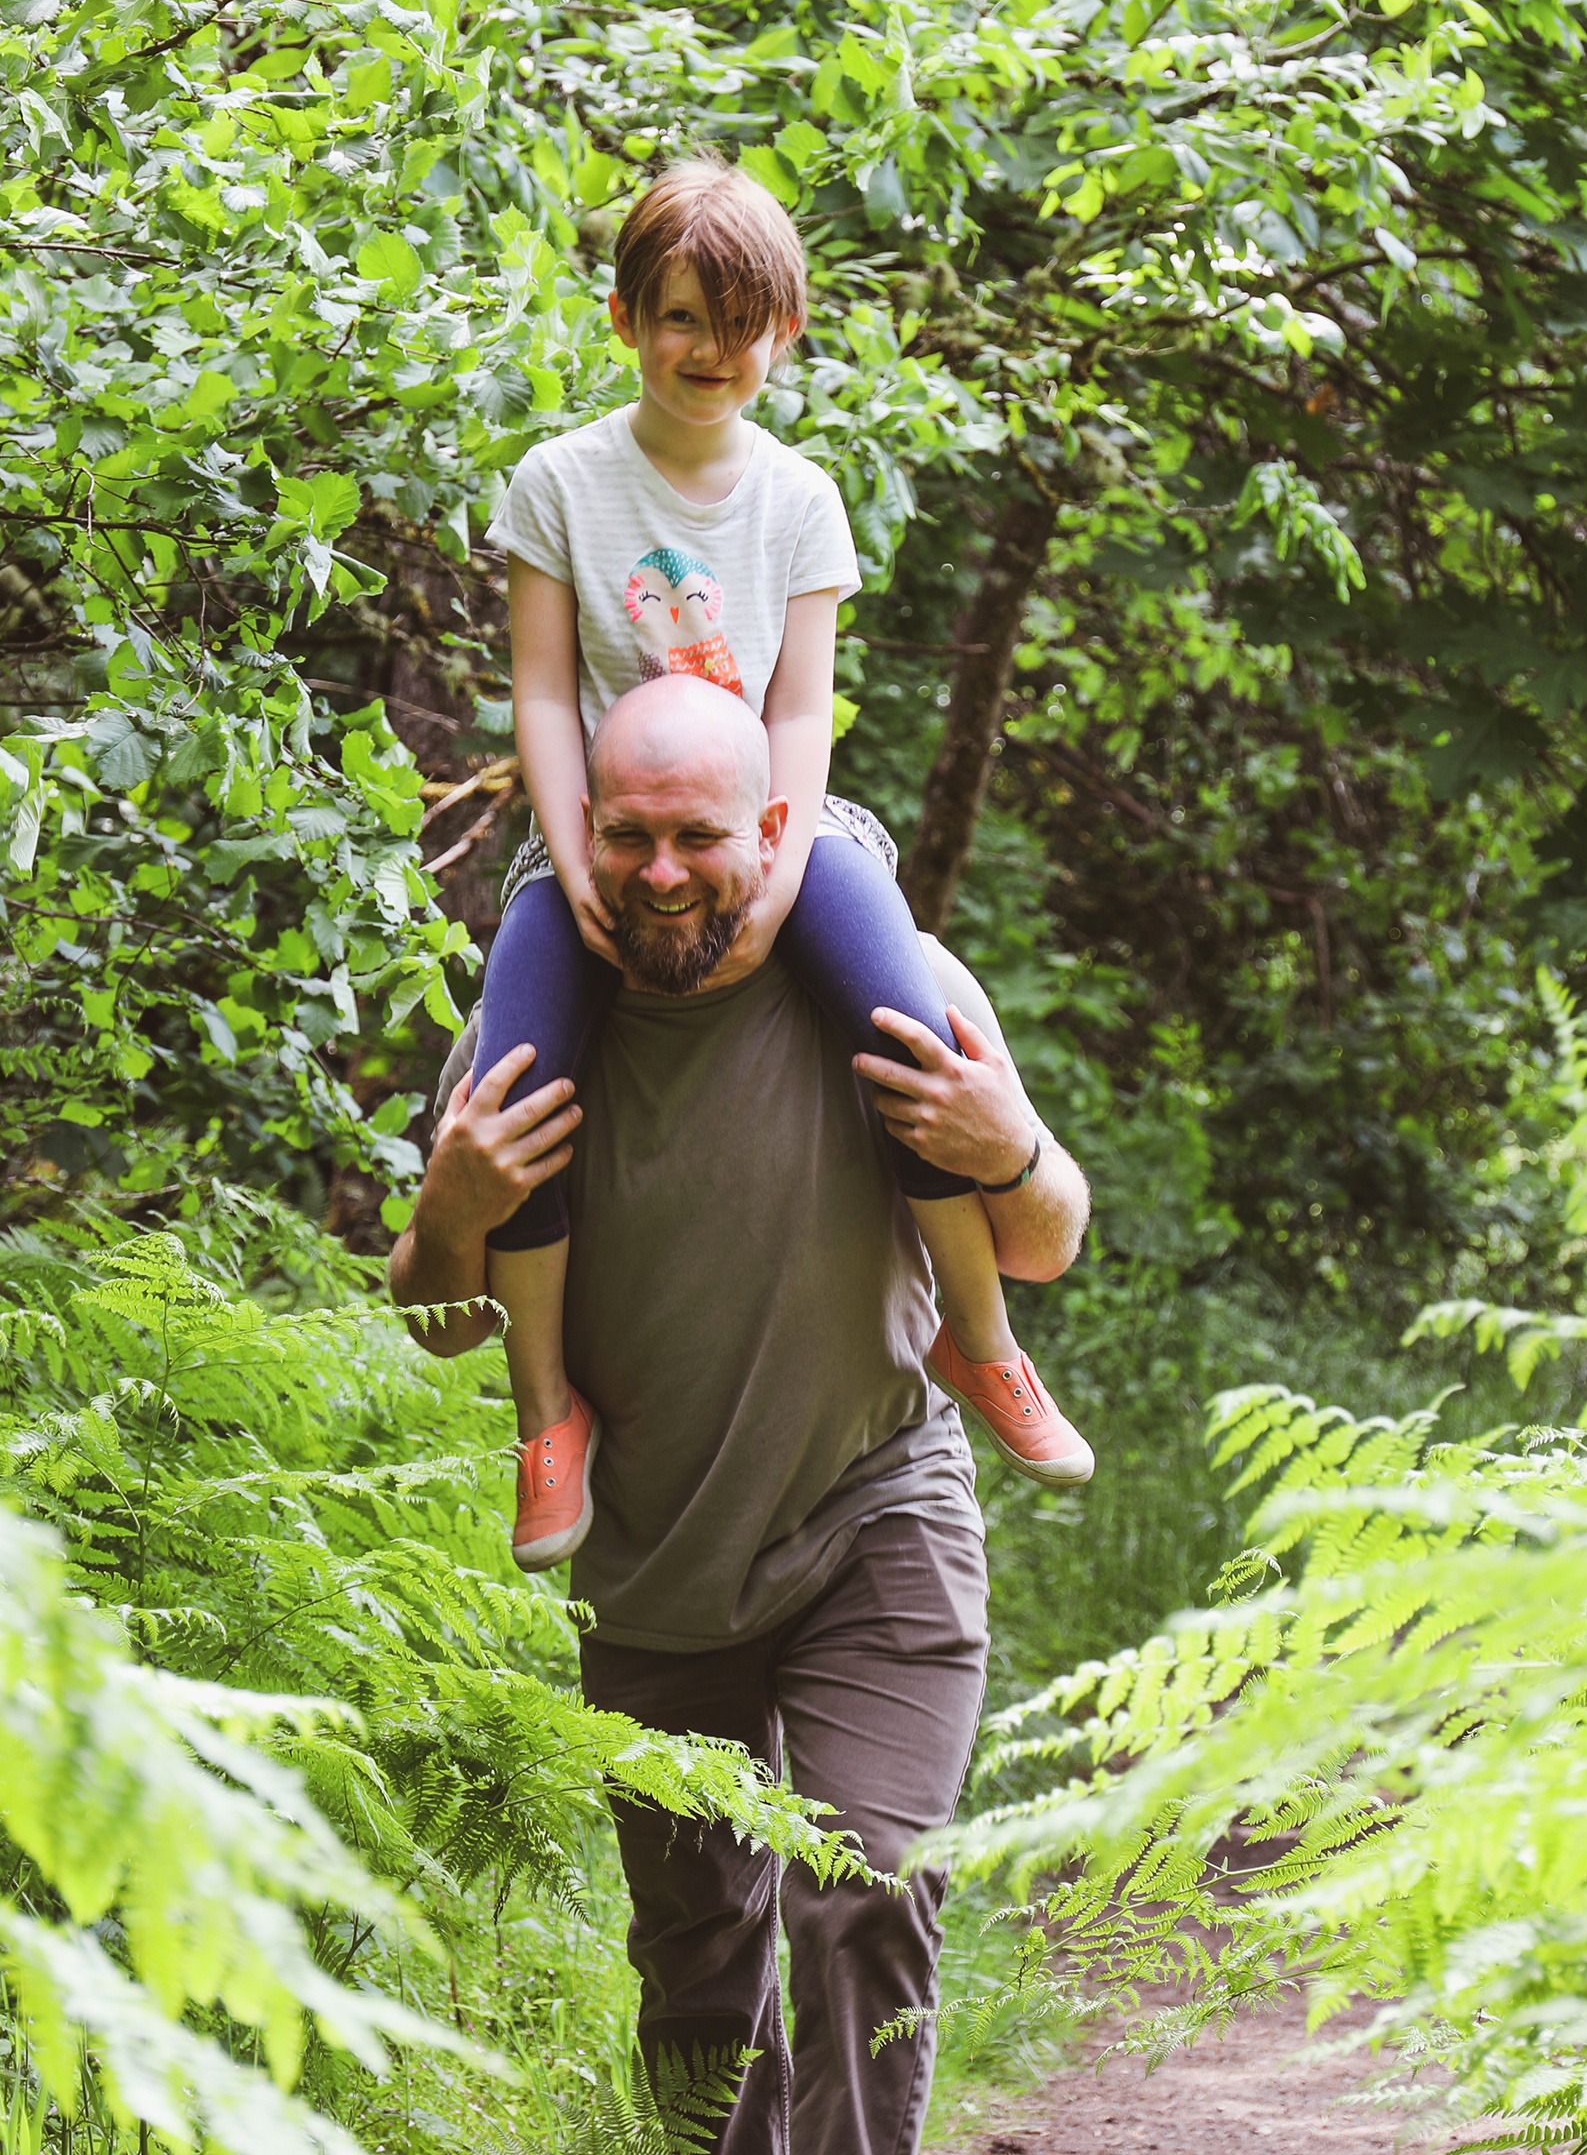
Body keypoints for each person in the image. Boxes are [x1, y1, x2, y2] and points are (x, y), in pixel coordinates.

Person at [388, 674, 1092, 2155]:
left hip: (875, 1512)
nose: (659, 873)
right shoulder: (534, 1036)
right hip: (653, 1568)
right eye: (628, 836)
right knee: (701, 1979)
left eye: (697, 835)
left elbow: (1047, 1238)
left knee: (867, 1891)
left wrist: (1009, 1142)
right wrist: (447, 1214)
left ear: (772, 829)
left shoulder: (894, 982)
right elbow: (444, 1322)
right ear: (585, 834)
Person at [473, 157, 1091, 1571]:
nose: (712, 353)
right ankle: (544, 1416)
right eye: (683, 317)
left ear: (786, 334)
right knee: (522, 1092)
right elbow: (539, 694)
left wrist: (775, 858)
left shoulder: (801, 501)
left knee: (906, 1031)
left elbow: (801, 708)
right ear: (627, 318)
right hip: (606, 842)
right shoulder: (561, 484)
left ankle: (980, 1339)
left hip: (777, 828)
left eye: (743, 325)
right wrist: (571, 866)